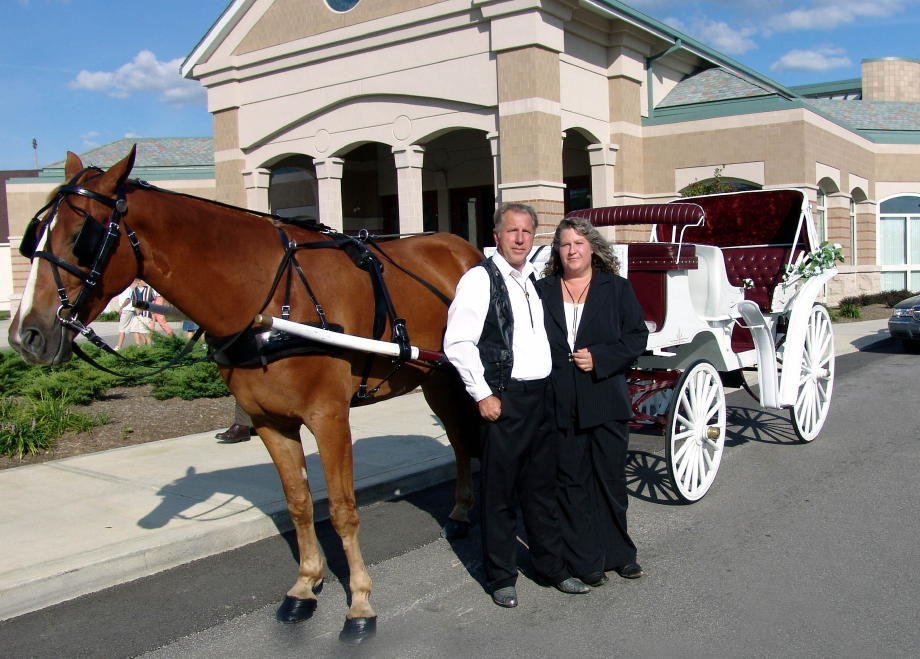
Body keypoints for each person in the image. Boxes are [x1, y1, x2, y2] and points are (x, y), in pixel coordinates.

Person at [444, 202, 589, 608]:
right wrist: (483, 394)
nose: (521, 239)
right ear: (497, 236)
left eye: (527, 232)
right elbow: (457, 343)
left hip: (541, 398)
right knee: (500, 494)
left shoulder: (530, 280)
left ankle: (551, 567)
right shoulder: (479, 279)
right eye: (512, 231)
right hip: (506, 401)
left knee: (543, 490)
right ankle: (501, 576)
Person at [535, 216, 649, 587]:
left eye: (579, 244)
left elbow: (636, 338)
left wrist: (600, 357)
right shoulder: (542, 291)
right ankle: (587, 560)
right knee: (572, 484)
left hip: (605, 400)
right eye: (565, 244)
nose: (572, 250)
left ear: (592, 249)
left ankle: (621, 554)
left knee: (610, 480)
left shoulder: (616, 289)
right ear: (558, 250)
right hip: (559, 403)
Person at [128, 280, 155, 346]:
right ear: (138, 282)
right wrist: (136, 308)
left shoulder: (149, 290)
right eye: (143, 280)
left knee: (146, 332)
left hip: (146, 314)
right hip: (137, 314)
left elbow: (153, 301)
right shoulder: (134, 290)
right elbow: (133, 301)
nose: (145, 282)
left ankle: (149, 347)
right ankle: (139, 346)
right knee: (134, 329)